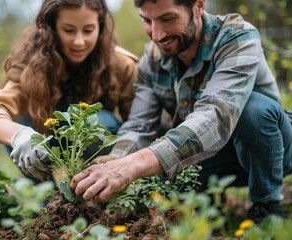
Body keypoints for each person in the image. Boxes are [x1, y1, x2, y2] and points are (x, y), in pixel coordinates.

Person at [70, 0, 292, 224]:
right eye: (147, 21)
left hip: (273, 150)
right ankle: (212, 199)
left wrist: (133, 165)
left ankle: (267, 204)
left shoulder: (236, 37)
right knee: (157, 179)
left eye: (167, 19)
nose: (157, 35)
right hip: (214, 155)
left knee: (252, 109)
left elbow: (216, 116)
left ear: (198, 7)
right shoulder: (152, 59)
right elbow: (140, 125)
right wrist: (116, 159)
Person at [0, 0, 138, 183]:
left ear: (100, 27)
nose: (79, 41)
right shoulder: (31, 64)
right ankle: (48, 198)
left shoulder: (121, 64)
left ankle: (99, 194)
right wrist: (19, 135)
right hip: (46, 145)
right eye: (68, 30)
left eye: (88, 30)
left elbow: (141, 124)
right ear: (52, 28)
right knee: (16, 122)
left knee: (90, 122)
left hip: (101, 153)